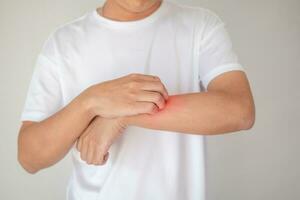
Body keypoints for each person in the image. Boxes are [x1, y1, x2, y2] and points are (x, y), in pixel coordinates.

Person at [17, 0, 255, 199]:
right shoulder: (63, 43)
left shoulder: (200, 25)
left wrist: (122, 116)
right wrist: (90, 102)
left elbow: (239, 110)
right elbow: (29, 157)